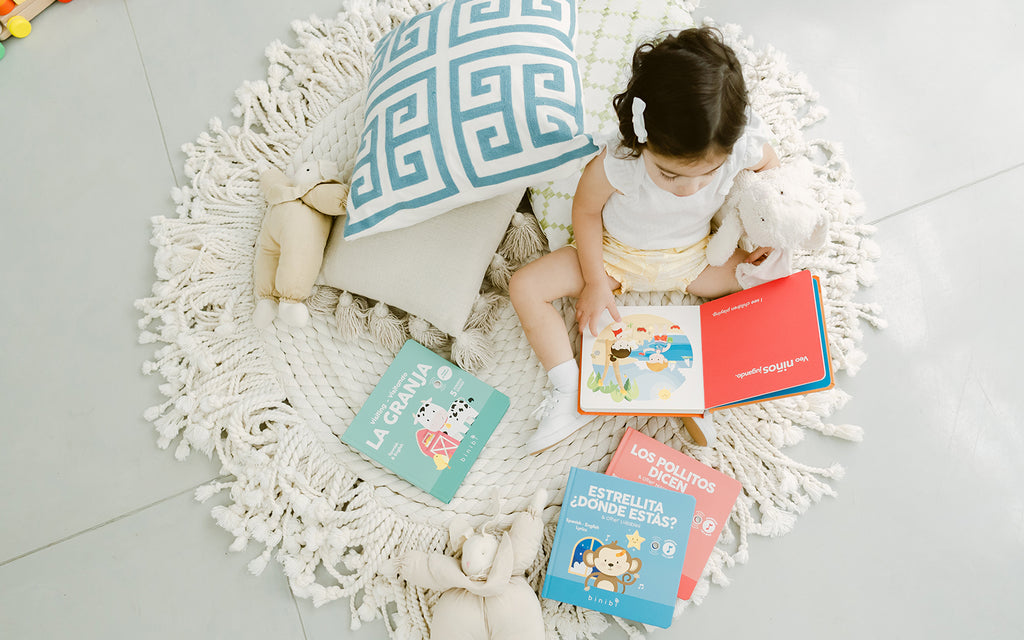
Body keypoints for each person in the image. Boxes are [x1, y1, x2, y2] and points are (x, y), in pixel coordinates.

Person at [510, 26, 781, 454]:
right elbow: (585, 211)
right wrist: (596, 280)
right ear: (643, 139)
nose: (687, 190)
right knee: (524, 286)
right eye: (670, 175)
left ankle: (699, 391)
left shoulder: (740, 148)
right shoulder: (624, 159)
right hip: (618, 256)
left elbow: (771, 174)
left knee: (769, 279)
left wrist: (763, 234)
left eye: (705, 175)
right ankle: (567, 390)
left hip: (695, 258)